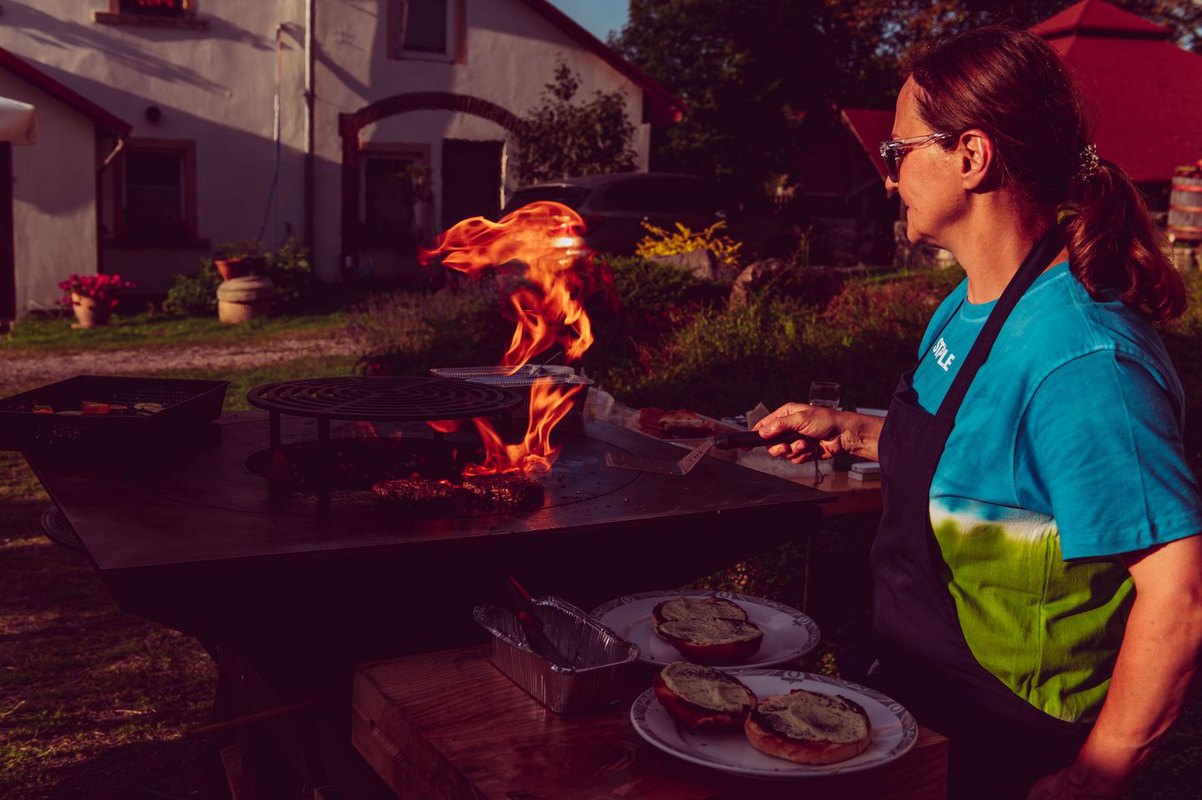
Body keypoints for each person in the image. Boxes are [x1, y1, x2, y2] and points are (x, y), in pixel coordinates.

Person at [755, 26, 1202, 800]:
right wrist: (856, 432)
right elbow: (983, 450)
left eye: (898, 154)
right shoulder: (968, 305)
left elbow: (1180, 592)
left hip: (1009, 738)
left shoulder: (1084, 359)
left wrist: (1091, 777)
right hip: (922, 703)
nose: (887, 177)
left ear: (971, 155)